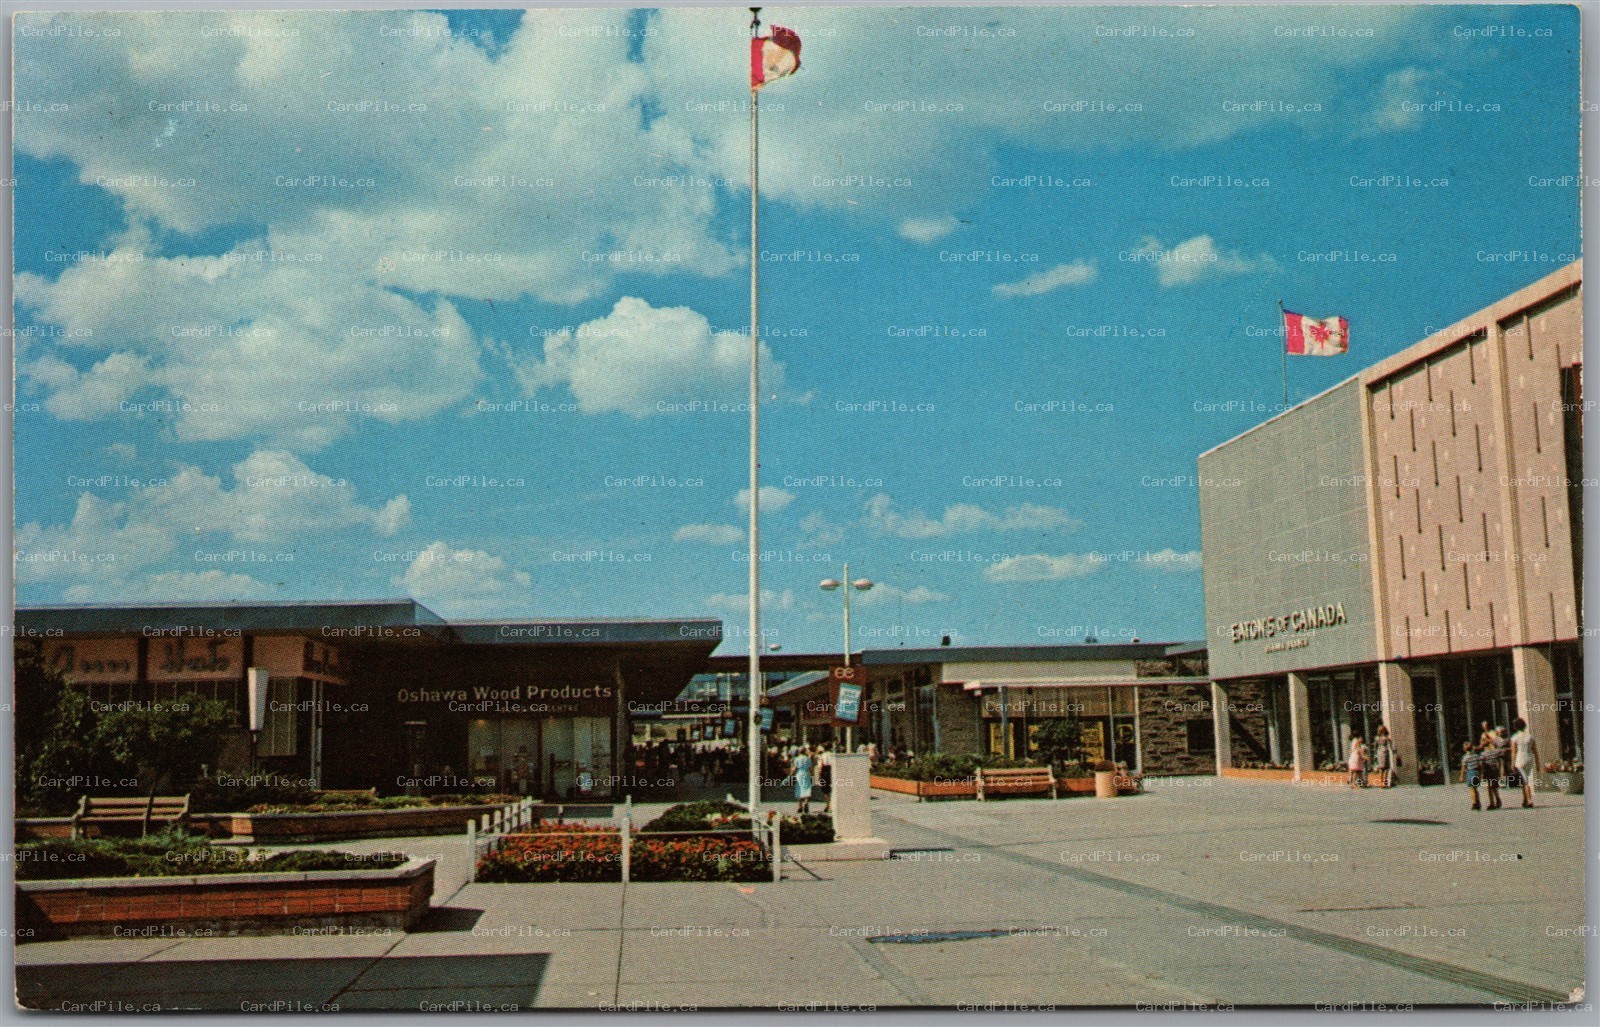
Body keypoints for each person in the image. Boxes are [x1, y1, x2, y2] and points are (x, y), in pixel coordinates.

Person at [1509, 718, 1537, 808]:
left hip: (1520, 759)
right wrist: (1538, 763)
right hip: (1529, 759)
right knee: (1525, 779)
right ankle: (1525, 799)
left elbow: (1514, 752)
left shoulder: (1515, 737)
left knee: (1525, 781)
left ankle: (1529, 800)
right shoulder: (1530, 737)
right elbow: (1535, 751)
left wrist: (1512, 763)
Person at [1479, 732, 1503, 810]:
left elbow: (1482, 764)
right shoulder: (1495, 752)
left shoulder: (1483, 754)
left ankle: (1492, 803)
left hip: (1488, 771)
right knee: (1494, 787)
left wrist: (1482, 773)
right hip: (1495, 770)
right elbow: (1499, 758)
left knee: (1489, 787)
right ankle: (1498, 799)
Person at [792, 746, 815, 815]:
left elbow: (795, 768)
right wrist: (812, 775)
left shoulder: (796, 759)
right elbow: (811, 768)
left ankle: (800, 806)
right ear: (805, 751)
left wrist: (792, 774)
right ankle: (806, 802)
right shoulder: (808, 759)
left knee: (799, 789)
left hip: (799, 774)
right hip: (806, 773)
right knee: (807, 788)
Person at [1462, 741, 1484, 810]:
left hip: (1470, 773)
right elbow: (1480, 765)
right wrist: (1481, 774)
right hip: (1476, 772)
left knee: (1472, 789)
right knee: (1475, 789)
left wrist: (1462, 776)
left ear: (1464, 749)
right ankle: (1478, 802)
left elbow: (1463, 767)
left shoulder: (1465, 757)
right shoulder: (1476, 756)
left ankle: (1474, 803)